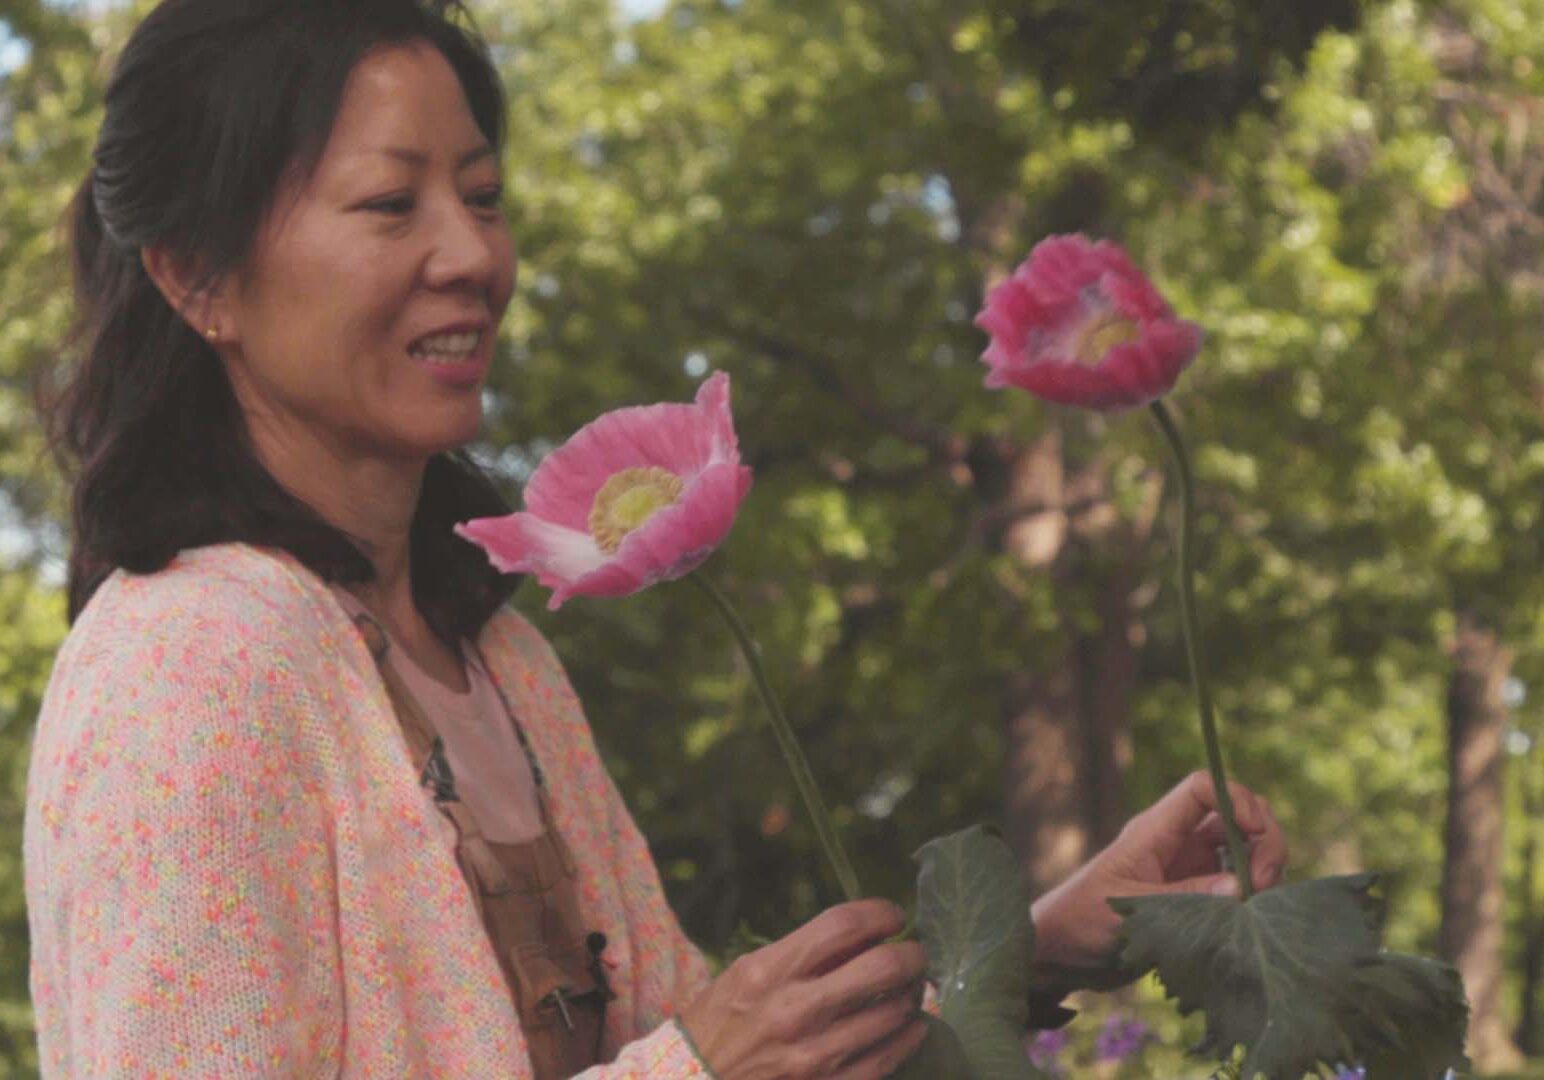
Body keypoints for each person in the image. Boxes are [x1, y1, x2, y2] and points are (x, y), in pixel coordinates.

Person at [22, 1, 1288, 1077]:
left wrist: (1049, 938)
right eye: (389, 204)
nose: (472, 255)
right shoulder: (188, 672)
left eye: (481, 195)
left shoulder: (500, 663)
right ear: (196, 277)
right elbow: (698, 1058)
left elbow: (730, 1043)